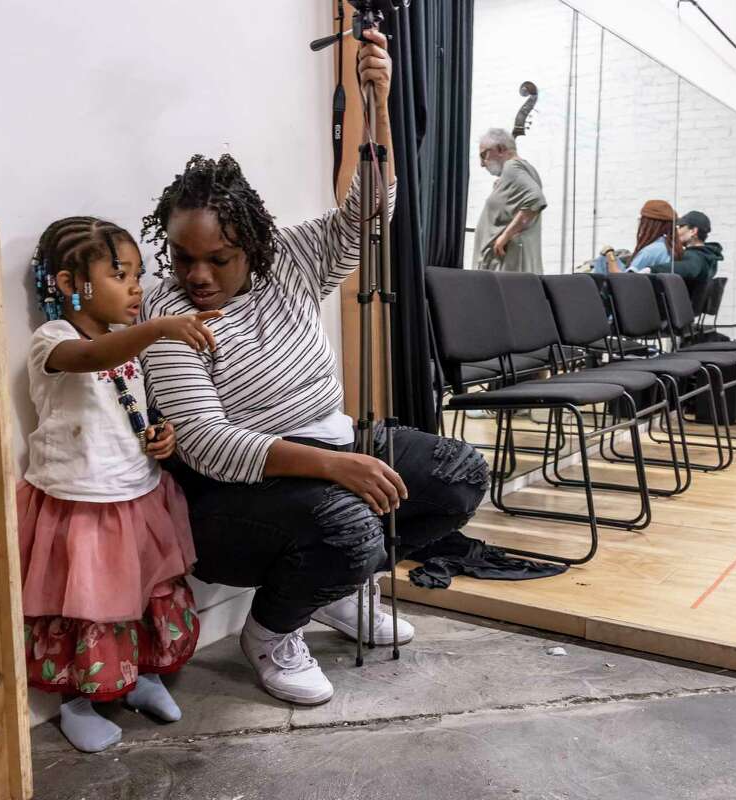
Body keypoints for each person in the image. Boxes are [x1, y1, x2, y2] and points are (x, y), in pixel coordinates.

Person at [138, 30, 488, 708]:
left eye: (220, 258)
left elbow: (370, 216)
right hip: (228, 500)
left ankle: (335, 588)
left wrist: (378, 102)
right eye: (183, 257)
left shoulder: (291, 260)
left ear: (255, 246)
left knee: (459, 476)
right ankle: (271, 632)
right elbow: (207, 444)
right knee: (350, 521)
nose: (198, 276)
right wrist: (335, 466)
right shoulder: (167, 315)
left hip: (329, 447)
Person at [21, 217, 218, 753]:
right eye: (118, 274)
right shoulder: (54, 341)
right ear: (69, 285)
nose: (136, 287)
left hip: (138, 493)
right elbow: (89, 360)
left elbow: (127, 405)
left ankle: (141, 677)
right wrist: (158, 328)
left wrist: (159, 434)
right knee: (85, 603)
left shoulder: (121, 345)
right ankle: (76, 702)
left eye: (137, 274)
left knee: (144, 592)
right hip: (82, 503)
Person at [473, 127, 547, 273]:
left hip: (506, 265)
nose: (482, 163)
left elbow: (535, 199)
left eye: (484, 155)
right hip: (507, 265)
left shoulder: (512, 167)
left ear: (500, 149)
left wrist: (505, 237)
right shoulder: (523, 169)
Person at [626, 200, 678, 272]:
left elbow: (625, 279)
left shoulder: (650, 251)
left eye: (641, 220)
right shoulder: (670, 246)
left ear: (648, 224)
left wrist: (610, 256)